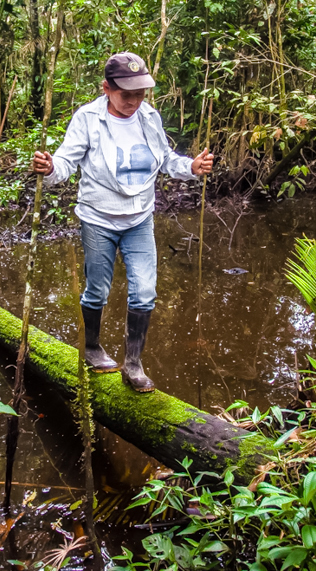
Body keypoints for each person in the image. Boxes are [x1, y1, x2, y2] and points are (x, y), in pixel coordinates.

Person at [31, 52, 213, 392]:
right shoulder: (87, 118)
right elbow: (65, 163)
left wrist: (192, 167)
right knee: (97, 290)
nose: (133, 101)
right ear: (106, 88)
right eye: (125, 94)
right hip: (98, 218)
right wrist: (49, 168)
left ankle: (133, 363)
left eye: (140, 93)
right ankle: (92, 347)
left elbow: (166, 160)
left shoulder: (149, 117)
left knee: (144, 293)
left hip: (139, 219)